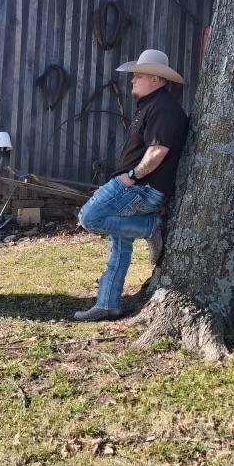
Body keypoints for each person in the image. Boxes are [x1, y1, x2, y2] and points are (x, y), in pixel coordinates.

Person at [74, 49, 189, 322]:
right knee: (119, 243)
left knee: (89, 218)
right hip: (137, 185)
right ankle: (108, 304)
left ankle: (151, 227)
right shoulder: (151, 105)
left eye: (138, 76)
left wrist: (133, 176)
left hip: (141, 187)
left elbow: (158, 151)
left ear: (155, 79)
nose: (132, 81)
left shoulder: (164, 107)